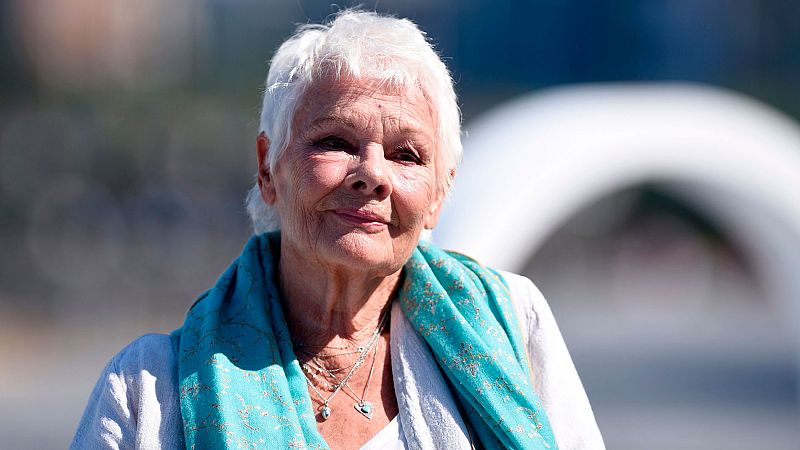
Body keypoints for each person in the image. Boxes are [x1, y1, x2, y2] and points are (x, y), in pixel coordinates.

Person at [71, 10, 604, 450]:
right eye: (336, 143)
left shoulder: (512, 325)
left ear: (440, 195)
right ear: (267, 168)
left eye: (406, 155)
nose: (372, 175)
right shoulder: (149, 389)